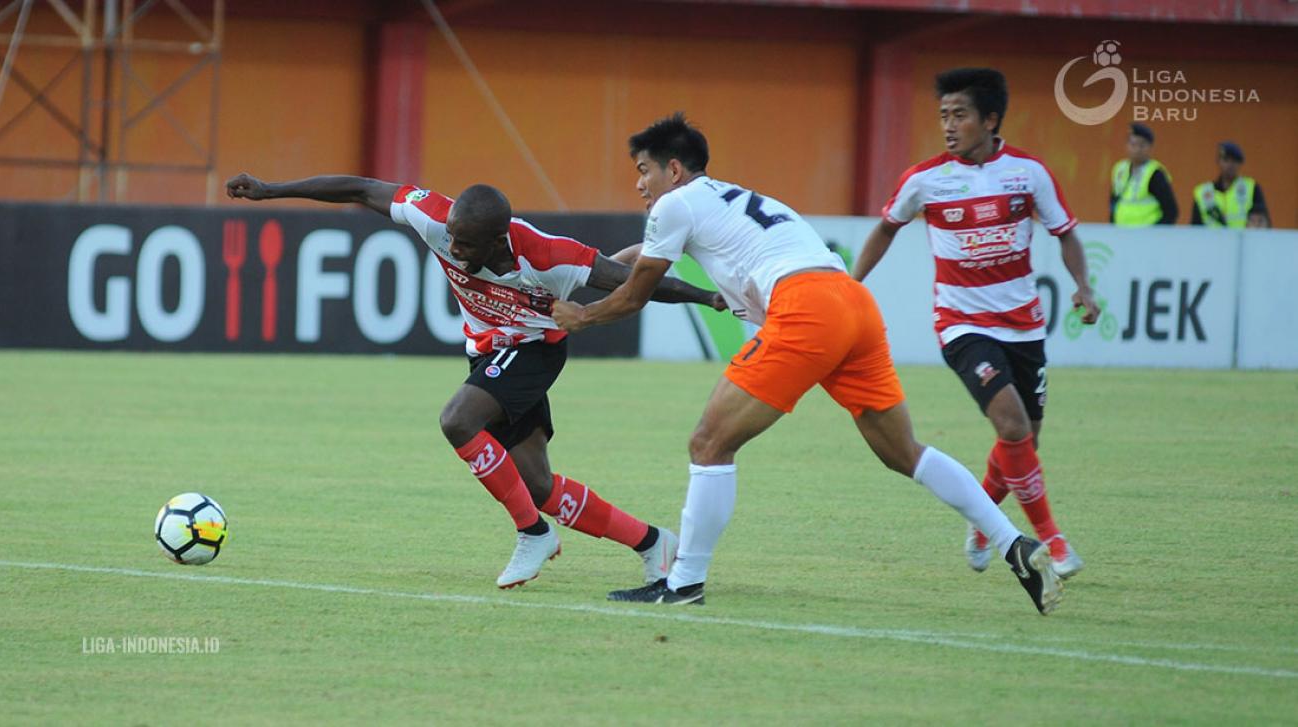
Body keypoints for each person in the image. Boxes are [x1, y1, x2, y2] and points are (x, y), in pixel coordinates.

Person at [553, 113, 1063, 614]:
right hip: (853, 304)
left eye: (644, 170)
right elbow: (641, 255)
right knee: (903, 452)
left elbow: (634, 295)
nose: (640, 184)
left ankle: (683, 582)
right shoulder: (729, 198)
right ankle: (1012, 543)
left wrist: (580, 316)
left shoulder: (675, 206)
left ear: (675, 170)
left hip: (805, 309)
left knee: (709, 443)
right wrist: (580, 270)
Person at [226, 172, 724, 589]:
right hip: (487, 353)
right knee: (539, 484)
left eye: (466, 243)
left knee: (458, 420)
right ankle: (654, 543)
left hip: (533, 351)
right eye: (452, 237)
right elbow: (359, 189)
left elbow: (637, 283)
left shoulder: (549, 256)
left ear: (497, 240)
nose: (453, 248)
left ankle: (532, 533)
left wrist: (709, 299)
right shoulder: (437, 220)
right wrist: (270, 190)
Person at [853, 68, 1094, 580]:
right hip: (962, 325)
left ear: (990, 119)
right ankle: (1052, 542)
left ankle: (982, 521)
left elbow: (1066, 235)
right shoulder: (924, 180)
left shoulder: (1028, 173)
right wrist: (850, 285)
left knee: (1024, 439)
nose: (948, 125)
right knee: (1010, 426)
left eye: (959, 114)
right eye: (943, 115)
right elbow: (885, 230)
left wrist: (1083, 287)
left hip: (1024, 326)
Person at [1190, 142, 1270, 228]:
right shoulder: (1203, 192)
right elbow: (1195, 228)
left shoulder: (1251, 188)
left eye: (1234, 161)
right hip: (1211, 241)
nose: (1230, 165)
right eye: (1226, 160)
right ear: (1219, 161)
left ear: (1240, 164)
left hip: (1242, 240)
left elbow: (1264, 222)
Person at [1110, 123, 1177, 226]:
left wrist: (1155, 234)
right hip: (1121, 232)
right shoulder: (1120, 169)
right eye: (1133, 144)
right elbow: (1114, 201)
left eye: (1142, 145)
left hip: (1146, 236)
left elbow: (1171, 211)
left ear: (1150, 147)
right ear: (1127, 145)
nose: (1137, 150)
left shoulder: (1155, 173)